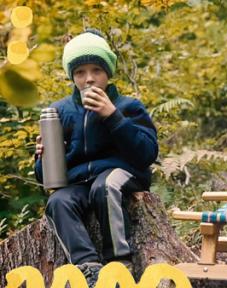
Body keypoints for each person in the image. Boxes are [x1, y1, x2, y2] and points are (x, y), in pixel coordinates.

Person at [34, 28, 158, 287]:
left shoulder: (128, 106)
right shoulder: (60, 111)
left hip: (123, 172)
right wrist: (42, 158)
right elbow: (48, 179)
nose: (88, 79)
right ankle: (88, 267)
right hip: (79, 181)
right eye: (80, 72)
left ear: (108, 73)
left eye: (96, 71)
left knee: (106, 185)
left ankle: (119, 265)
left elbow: (146, 153)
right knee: (58, 201)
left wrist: (113, 115)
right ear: (72, 76)